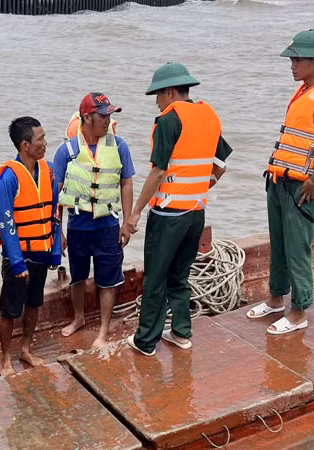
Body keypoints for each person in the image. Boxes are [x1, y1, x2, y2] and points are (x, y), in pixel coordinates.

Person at [246, 30, 314, 334]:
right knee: (278, 246)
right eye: (291, 58)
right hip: (280, 182)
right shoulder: (303, 91)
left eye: (298, 59)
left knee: (297, 249)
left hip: (301, 188)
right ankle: (276, 299)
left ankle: (298, 311)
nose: (292, 64)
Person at [125, 62, 233, 356]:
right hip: (196, 212)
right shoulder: (208, 116)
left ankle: (146, 341)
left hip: (168, 215)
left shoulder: (168, 120)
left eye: (158, 96)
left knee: (156, 278)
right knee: (180, 276)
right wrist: (199, 186)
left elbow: (158, 172)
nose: (157, 103)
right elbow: (221, 164)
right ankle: (181, 333)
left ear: (170, 92)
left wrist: (134, 213)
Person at [53, 92, 135, 349]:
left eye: (110, 115)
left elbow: (127, 183)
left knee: (107, 279)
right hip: (77, 225)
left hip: (108, 225)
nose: (107, 120)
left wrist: (127, 222)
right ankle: (78, 318)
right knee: (77, 277)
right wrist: (59, 233)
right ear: (86, 117)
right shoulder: (66, 150)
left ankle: (103, 330)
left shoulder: (119, 146)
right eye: (102, 116)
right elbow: (57, 192)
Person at [0, 116, 62, 376]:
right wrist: (17, 260)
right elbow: (6, 221)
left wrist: (55, 250)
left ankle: (25, 349)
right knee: (9, 309)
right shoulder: (8, 179)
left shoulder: (49, 170)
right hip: (18, 256)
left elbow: (55, 214)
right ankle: (5, 360)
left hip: (42, 252)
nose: (45, 143)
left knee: (34, 304)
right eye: (40, 139)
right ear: (25, 145)